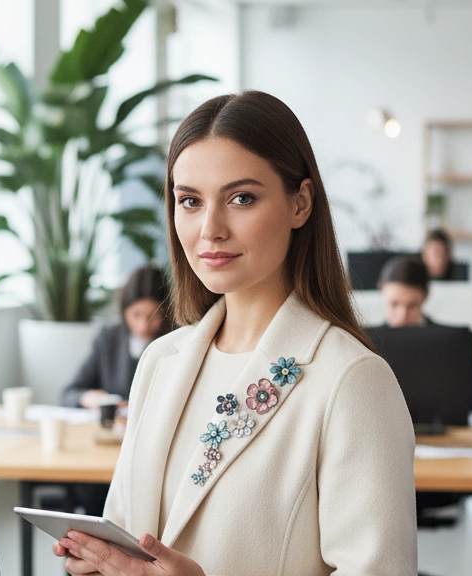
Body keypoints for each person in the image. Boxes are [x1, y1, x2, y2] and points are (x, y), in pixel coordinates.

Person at [53, 91, 417, 575]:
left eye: (241, 198)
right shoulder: (161, 362)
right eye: (189, 201)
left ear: (301, 204)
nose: (210, 229)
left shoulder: (351, 380)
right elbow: (126, 535)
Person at [373, 255, 472, 411]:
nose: (402, 315)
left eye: (412, 305)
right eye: (394, 304)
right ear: (381, 292)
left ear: (426, 296)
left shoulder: (453, 343)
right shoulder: (368, 344)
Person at [62, 265, 171, 409]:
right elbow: (69, 393)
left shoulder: (175, 341)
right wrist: (91, 398)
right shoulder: (108, 337)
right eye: (136, 315)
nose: (143, 325)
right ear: (124, 310)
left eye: (154, 316)